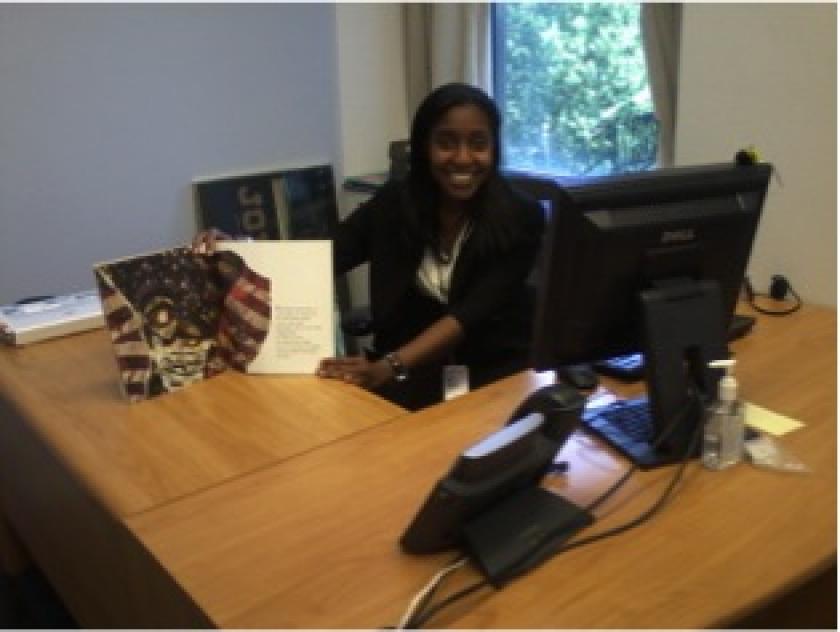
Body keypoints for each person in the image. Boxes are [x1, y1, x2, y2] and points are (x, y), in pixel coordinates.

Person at [195, 82, 545, 410]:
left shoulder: (522, 216)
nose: (463, 158)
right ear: (425, 147)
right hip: (412, 376)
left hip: (493, 373)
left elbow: (469, 314)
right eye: (447, 142)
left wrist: (387, 367)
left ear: (494, 148)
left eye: (478, 143)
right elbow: (324, 256)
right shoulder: (395, 203)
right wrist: (238, 253)